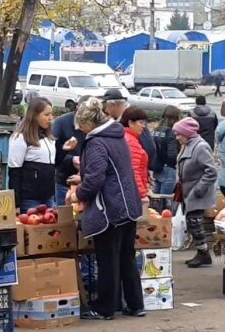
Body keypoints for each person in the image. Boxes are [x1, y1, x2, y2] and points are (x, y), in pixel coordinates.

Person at [67, 97, 144, 320]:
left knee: (108, 259)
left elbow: (95, 179)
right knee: (127, 256)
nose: (80, 130)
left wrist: (77, 194)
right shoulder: (118, 136)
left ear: (88, 123)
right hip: (129, 205)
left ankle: (105, 308)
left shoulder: (96, 142)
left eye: (81, 126)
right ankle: (135, 304)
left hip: (109, 208)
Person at [173, 117, 217, 268]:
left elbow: (211, 171)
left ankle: (204, 254)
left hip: (196, 192)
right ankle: (201, 252)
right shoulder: (188, 145)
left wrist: (200, 188)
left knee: (195, 222)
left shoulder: (200, 147)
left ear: (187, 133)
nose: (177, 137)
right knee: (192, 223)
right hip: (188, 191)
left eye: (179, 134)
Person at [8, 97, 56, 212]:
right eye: (46, 115)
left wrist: (65, 150)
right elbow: (14, 172)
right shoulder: (21, 137)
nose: (50, 118)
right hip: (30, 199)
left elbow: (53, 164)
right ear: (35, 116)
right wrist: (16, 204)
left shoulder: (49, 138)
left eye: (51, 114)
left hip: (48, 197)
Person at [53, 95, 91, 205]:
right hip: (65, 179)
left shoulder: (96, 125)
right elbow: (53, 153)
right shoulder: (61, 122)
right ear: (77, 107)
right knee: (64, 217)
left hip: (87, 181)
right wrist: (71, 159)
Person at [103, 88, 156, 166]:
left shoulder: (134, 117)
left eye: (107, 107)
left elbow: (149, 148)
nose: (106, 111)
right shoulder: (120, 120)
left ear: (114, 105)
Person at [151, 106, 180, 198]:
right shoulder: (171, 132)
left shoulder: (156, 130)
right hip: (168, 168)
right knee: (166, 200)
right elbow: (172, 154)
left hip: (157, 168)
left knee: (156, 199)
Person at [121, 107, 149, 199]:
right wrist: (142, 194)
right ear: (130, 123)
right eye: (141, 122)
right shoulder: (131, 142)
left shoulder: (124, 137)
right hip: (134, 194)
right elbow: (133, 171)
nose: (143, 126)